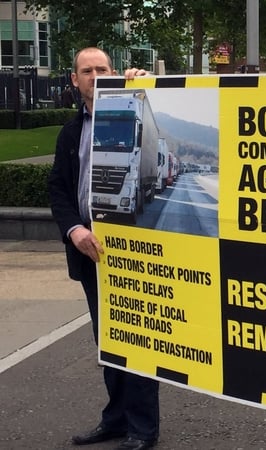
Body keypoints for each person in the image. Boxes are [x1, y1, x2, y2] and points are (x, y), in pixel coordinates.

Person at [47, 47, 156, 450]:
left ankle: (143, 428)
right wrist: (73, 229)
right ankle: (116, 419)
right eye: (86, 70)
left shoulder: (132, 113)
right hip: (90, 249)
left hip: (133, 251)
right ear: (74, 80)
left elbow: (157, 115)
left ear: (113, 72)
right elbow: (57, 188)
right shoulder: (70, 133)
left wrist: (146, 86)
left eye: (102, 69)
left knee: (138, 337)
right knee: (108, 340)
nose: (95, 75)